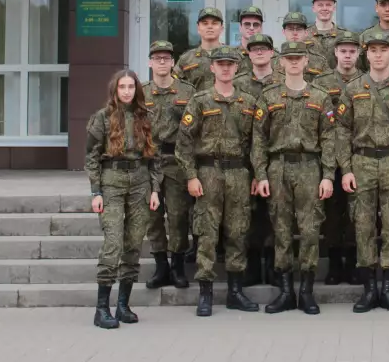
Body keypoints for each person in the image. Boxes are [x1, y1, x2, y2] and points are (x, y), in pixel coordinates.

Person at [337, 32, 389, 314]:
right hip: (361, 161)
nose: (377, 55)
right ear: (366, 54)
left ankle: (388, 287)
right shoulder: (352, 88)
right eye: (372, 50)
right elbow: (342, 130)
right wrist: (346, 169)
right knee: (363, 224)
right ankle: (368, 288)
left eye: (382, 50)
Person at [176, 46, 263, 317]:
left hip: (238, 174)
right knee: (206, 233)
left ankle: (236, 292)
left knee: (238, 232)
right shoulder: (200, 101)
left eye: (230, 64)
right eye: (220, 64)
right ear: (212, 68)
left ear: (237, 68)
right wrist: (191, 176)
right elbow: (184, 143)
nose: (225, 68)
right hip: (208, 173)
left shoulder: (249, 102)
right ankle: (206, 292)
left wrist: (257, 174)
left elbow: (257, 144)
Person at [252, 41, 337, 315]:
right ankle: (286, 292)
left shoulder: (320, 97)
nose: (293, 62)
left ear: (306, 61)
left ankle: (307, 291)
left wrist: (328, 176)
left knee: (310, 230)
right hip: (278, 168)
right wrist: (260, 174)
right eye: (289, 58)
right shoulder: (269, 96)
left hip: (309, 167)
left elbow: (329, 139)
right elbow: (258, 139)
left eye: (298, 57)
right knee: (281, 230)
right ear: (281, 62)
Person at [85, 70, 161, 329]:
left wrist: (155, 189)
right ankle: (101, 309)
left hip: (140, 182)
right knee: (113, 243)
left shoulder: (146, 117)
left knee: (133, 243)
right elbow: (91, 157)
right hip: (112, 182)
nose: (127, 91)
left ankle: (123, 305)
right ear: (114, 90)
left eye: (130, 86)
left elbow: (155, 158)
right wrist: (96, 192)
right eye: (122, 87)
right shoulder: (102, 118)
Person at [312, 31, 364, 286]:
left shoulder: (366, 81)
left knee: (357, 211)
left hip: (359, 154)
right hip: (329, 154)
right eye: (343, 51)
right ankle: (334, 264)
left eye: (352, 51)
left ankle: (353, 263)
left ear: (358, 54)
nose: (347, 56)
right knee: (332, 212)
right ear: (335, 53)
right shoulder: (321, 82)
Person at [143, 41, 195, 291]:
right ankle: (160, 265)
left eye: (166, 58)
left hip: (176, 161)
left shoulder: (187, 92)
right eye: (157, 58)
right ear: (150, 63)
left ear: (173, 62)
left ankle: (177, 266)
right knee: (152, 217)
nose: (162, 62)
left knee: (178, 216)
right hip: (149, 162)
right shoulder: (141, 93)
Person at [232, 33, 281, 287]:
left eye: (264, 48)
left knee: (275, 216)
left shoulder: (283, 81)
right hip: (243, 161)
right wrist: (253, 171)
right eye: (254, 49)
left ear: (272, 53)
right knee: (247, 217)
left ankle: (273, 267)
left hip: (276, 159)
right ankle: (251, 268)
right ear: (248, 54)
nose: (259, 53)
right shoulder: (238, 83)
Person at [174, 7, 226, 93]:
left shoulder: (234, 56)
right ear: (198, 28)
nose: (210, 27)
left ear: (221, 28)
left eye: (214, 23)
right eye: (205, 23)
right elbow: (174, 87)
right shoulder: (186, 59)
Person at [282, 11, 330, 80]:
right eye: (290, 29)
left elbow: (328, 83)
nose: (295, 33)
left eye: (299, 29)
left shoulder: (320, 61)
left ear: (306, 32)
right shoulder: (274, 60)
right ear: (283, 32)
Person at [307, 0, 339, 67]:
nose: (324, 8)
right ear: (313, 8)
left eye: (328, 5)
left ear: (334, 8)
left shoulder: (343, 35)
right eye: (320, 5)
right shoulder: (304, 34)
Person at [234, 6, 265, 77]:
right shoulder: (231, 56)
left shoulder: (271, 55)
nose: (251, 28)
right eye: (247, 24)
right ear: (240, 27)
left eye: (255, 25)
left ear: (261, 28)